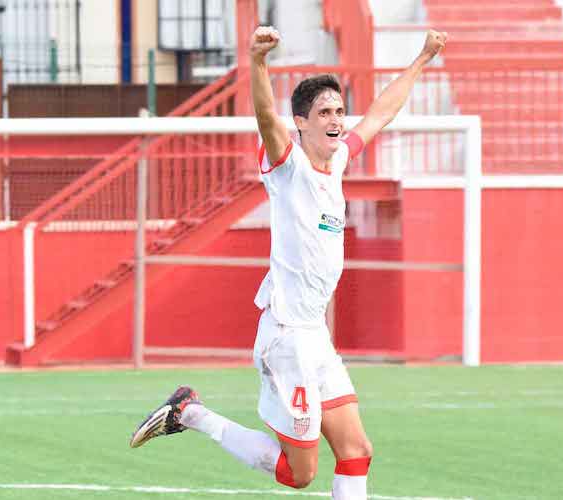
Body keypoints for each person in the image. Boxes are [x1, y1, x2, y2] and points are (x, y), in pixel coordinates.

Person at [130, 27, 447, 499]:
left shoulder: (337, 161)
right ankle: (191, 414)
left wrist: (422, 59)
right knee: (298, 475)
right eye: (324, 112)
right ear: (300, 123)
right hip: (286, 340)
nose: (336, 119)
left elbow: (381, 112)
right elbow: (264, 116)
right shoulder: (288, 165)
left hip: (314, 335)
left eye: (339, 111)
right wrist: (258, 61)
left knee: (357, 448)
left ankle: (188, 413)